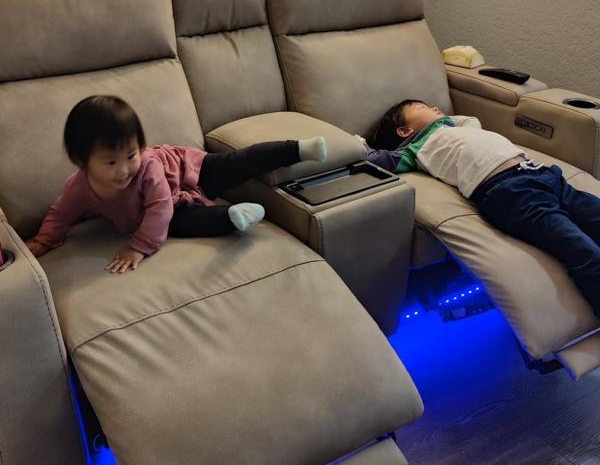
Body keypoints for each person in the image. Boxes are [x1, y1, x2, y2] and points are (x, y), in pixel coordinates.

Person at [26, 95, 327, 273]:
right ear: (82, 161)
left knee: (235, 163)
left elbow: (159, 206)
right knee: (185, 224)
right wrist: (43, 240)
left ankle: (297, 149)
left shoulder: (147, 166)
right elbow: (61, 214)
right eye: (110, 162)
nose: (124, 170)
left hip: (188, 172)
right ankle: (236, 215)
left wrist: (138, 248)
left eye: (130, 155)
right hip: (174, 208)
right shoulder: (79, 187)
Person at [362, 98, 600, 317]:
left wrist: (439, 120)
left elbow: (468, 119)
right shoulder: (415, 150)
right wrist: (359, 142)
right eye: (422, 107)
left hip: (545, 175)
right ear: (405, 131)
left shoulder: (464, 127)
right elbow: (377, 160)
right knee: (583, 252)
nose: (434, 108)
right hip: (512, 192)